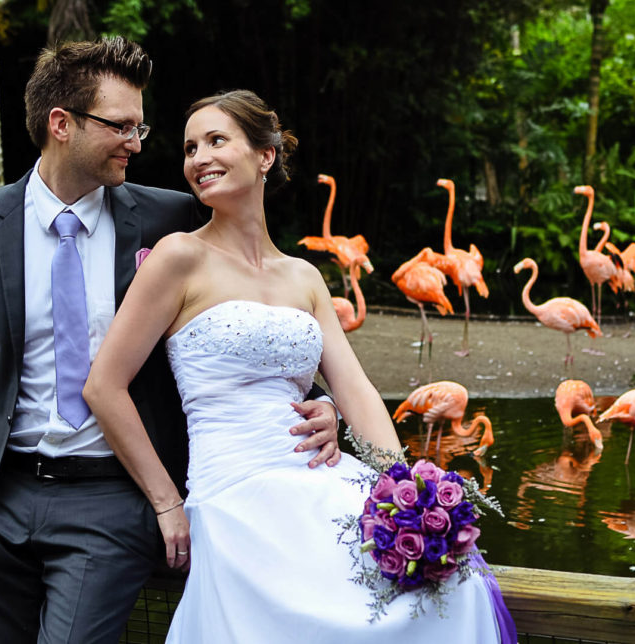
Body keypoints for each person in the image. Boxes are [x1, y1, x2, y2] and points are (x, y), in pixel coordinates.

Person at [0, 39, 340, 641]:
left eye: (140, 126)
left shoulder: (168, 220)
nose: (138, 143)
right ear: (61, 124)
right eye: (121, 126)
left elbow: (254, 313)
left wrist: (323, 402)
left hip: (112, 498)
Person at [83, 90, 512, 642]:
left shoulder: (305, 277)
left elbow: (354, 388)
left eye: (217, 140)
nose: (198, 158)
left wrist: (406, 489)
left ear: (265, 156)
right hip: (235, 493)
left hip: (322, 478)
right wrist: (168, 503)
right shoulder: (178, 258)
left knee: (450, 583)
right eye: (190, 147)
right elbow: (104, 386)